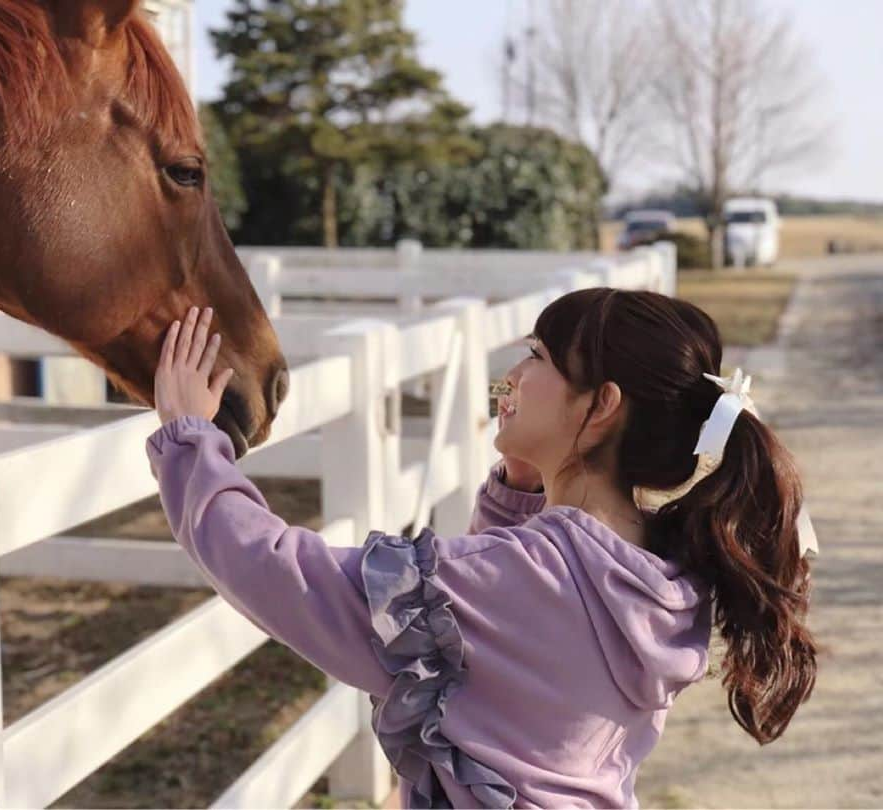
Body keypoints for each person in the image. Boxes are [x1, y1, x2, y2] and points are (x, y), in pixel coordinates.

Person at [145, 289, 817, 809]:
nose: (514, 375)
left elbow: (272, 569)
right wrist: (527, 487)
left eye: (538, 358)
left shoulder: (520, 579)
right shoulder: (660, 571)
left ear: (601, 406)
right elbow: (488, 646)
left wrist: (188, 441)